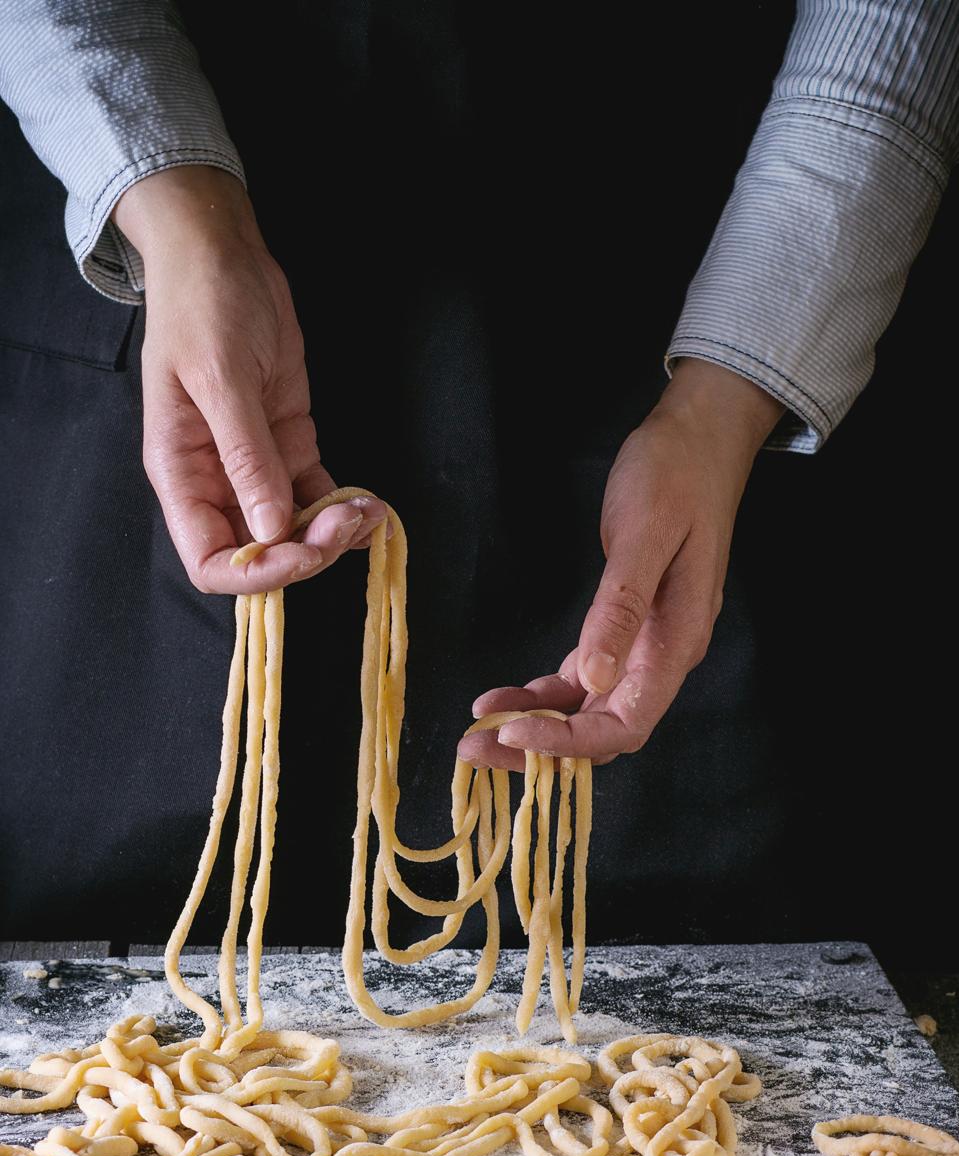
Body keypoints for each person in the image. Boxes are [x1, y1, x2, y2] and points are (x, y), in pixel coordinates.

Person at [0, 2, 956, 951]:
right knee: (126, 921)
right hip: (161, 292)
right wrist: (175, 216)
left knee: (674, 931)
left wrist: (728, 396)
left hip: (681, 318)